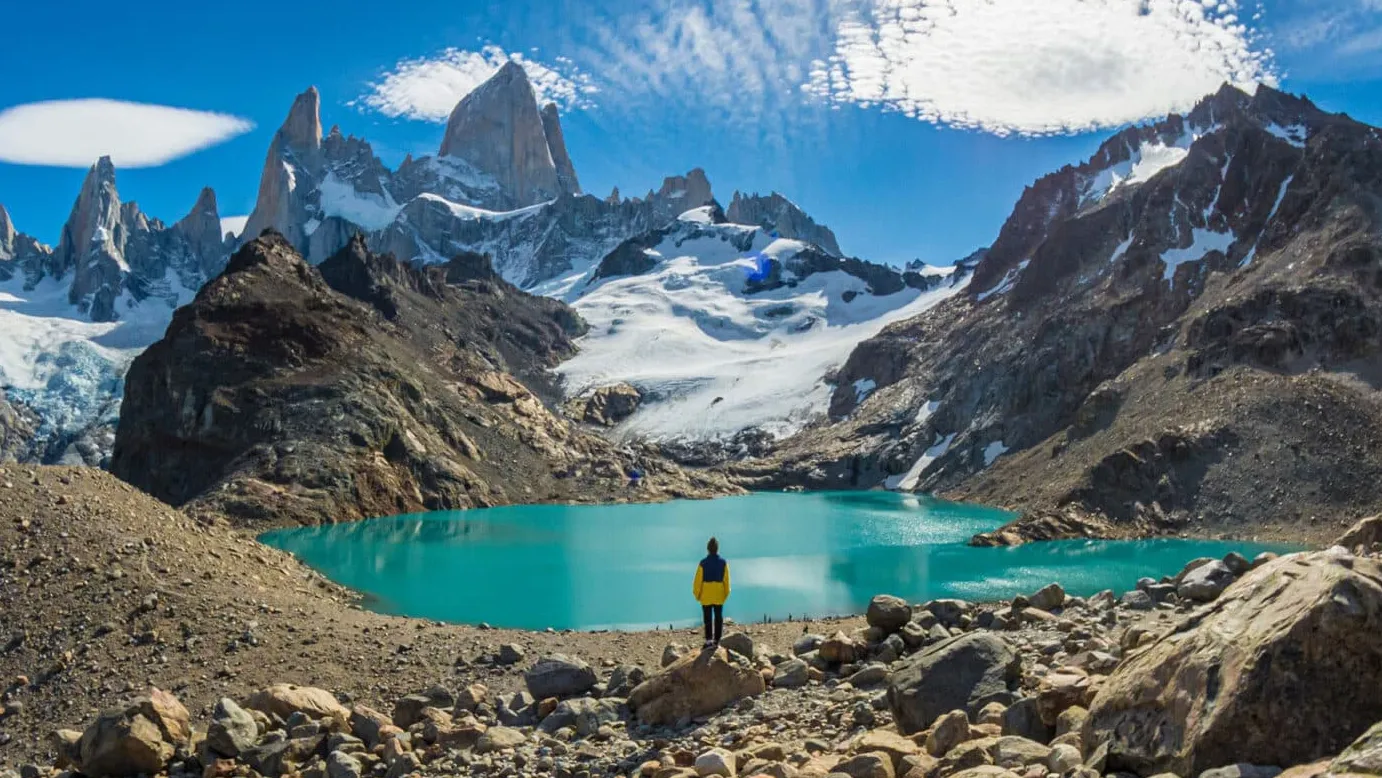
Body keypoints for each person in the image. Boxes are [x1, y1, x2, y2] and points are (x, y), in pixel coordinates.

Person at [693, 537, 730, 649]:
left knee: (707, 617)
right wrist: (725, 595)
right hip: (719, 594)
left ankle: (709, 639)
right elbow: (726, 581)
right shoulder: (723, 563)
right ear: (717, 549)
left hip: (706, 595)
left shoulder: (703, 563)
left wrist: (697, 595)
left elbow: (697, 582)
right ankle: (717, 640)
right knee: (718, 617)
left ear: (708, 549)